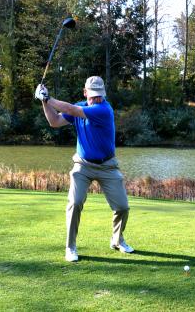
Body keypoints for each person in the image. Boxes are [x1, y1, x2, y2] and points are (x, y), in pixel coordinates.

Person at [35, 76, 134, 262]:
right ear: (85, 92)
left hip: (108, 166)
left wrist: (48, 98)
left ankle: (117, 239)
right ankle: (70, 247)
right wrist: (43, 102)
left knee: (122, 207)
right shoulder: (80, 106)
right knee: (75, 202)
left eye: (99, 95)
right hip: (83, 165)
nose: (96, 99)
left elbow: (71, 109)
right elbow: (54, 121)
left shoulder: (104, 109)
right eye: (92, 95)